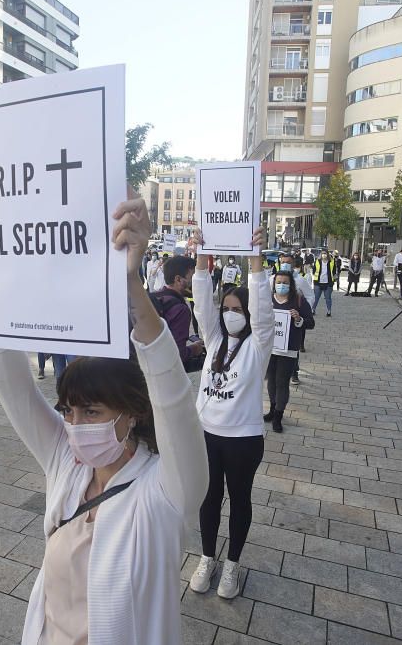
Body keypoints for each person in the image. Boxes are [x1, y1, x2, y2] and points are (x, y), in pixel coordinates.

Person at [0, 199, 208, 644]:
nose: (74, 425)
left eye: (91, 412)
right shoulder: (66, 466)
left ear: (133, 413)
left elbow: (172, 394)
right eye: (68, 411)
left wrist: (132, 284)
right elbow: (10, 381)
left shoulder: (165, 493)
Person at [188, 226, 270, 599]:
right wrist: (201, 257)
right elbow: (202, 303)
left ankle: (232, 565)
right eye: (227, 309)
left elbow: (264, 309)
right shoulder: (214, 340)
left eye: (238, 310)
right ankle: (207, 557)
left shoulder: (258, 346)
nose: (230, 314)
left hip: (243, 441)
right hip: (206, 436)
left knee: (239, 501)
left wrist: (257, 259)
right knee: (208, 500)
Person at [265, 268, 314, 431]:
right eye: (278, 282)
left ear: (291, 284)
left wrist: (299, 319)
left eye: (285, 283)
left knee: (282, 382)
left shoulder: (298, 300)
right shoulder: (267, 300)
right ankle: (272, 409)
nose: (281, 285)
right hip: (269, 349)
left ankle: (278, 415)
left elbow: (311, 322)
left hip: (288, 350)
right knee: (271, 381)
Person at [151, 255, 205, 372]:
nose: (195, 283)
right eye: (193, 277)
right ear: (178, 279)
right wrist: (194, 349)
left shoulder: (153, 297)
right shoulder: (180, 309)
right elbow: (176, 355)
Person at [311, 249, 335, 317]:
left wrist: (334, 280)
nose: (324, 255)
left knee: (328, 298)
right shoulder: (317, 261)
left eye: (325, 253)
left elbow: (334, 271)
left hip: (328, 283)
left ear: (327, 254)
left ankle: (329, 311)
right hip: (318, 282)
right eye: (322, 253)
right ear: (321, 255)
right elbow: (314, 270)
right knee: (316, 297)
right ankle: (313, 309)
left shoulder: (331, 262)